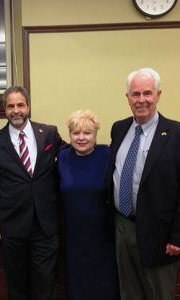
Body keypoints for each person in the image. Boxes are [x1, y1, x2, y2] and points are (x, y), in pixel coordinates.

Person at [108, 67, 180, 300]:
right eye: (135, 94)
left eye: (147, 93)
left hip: (160, 234)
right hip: (122, 226)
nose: (141, 100)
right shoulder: (119, 129)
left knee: (158, 293)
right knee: (128, 292)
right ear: (127, 98)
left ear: (159, 95)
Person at [0, 86, 65, 300]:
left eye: (20, 105)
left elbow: (71, 155)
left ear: (28, 107)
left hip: (45, 223)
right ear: (5, 109)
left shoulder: (49, 133)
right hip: (12, 225)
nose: (16, 110)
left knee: (46, 283)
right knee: (17, 284)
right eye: (11, 106)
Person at [58, 110, 119, 300]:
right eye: (76, 133)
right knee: (78, 286)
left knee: (105, 286)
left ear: (96, 135)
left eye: (87, 133)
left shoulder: (108, 155)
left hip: (104, 236)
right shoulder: (62, 158)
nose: (81, 138)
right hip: (73, 236)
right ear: (70, 135)